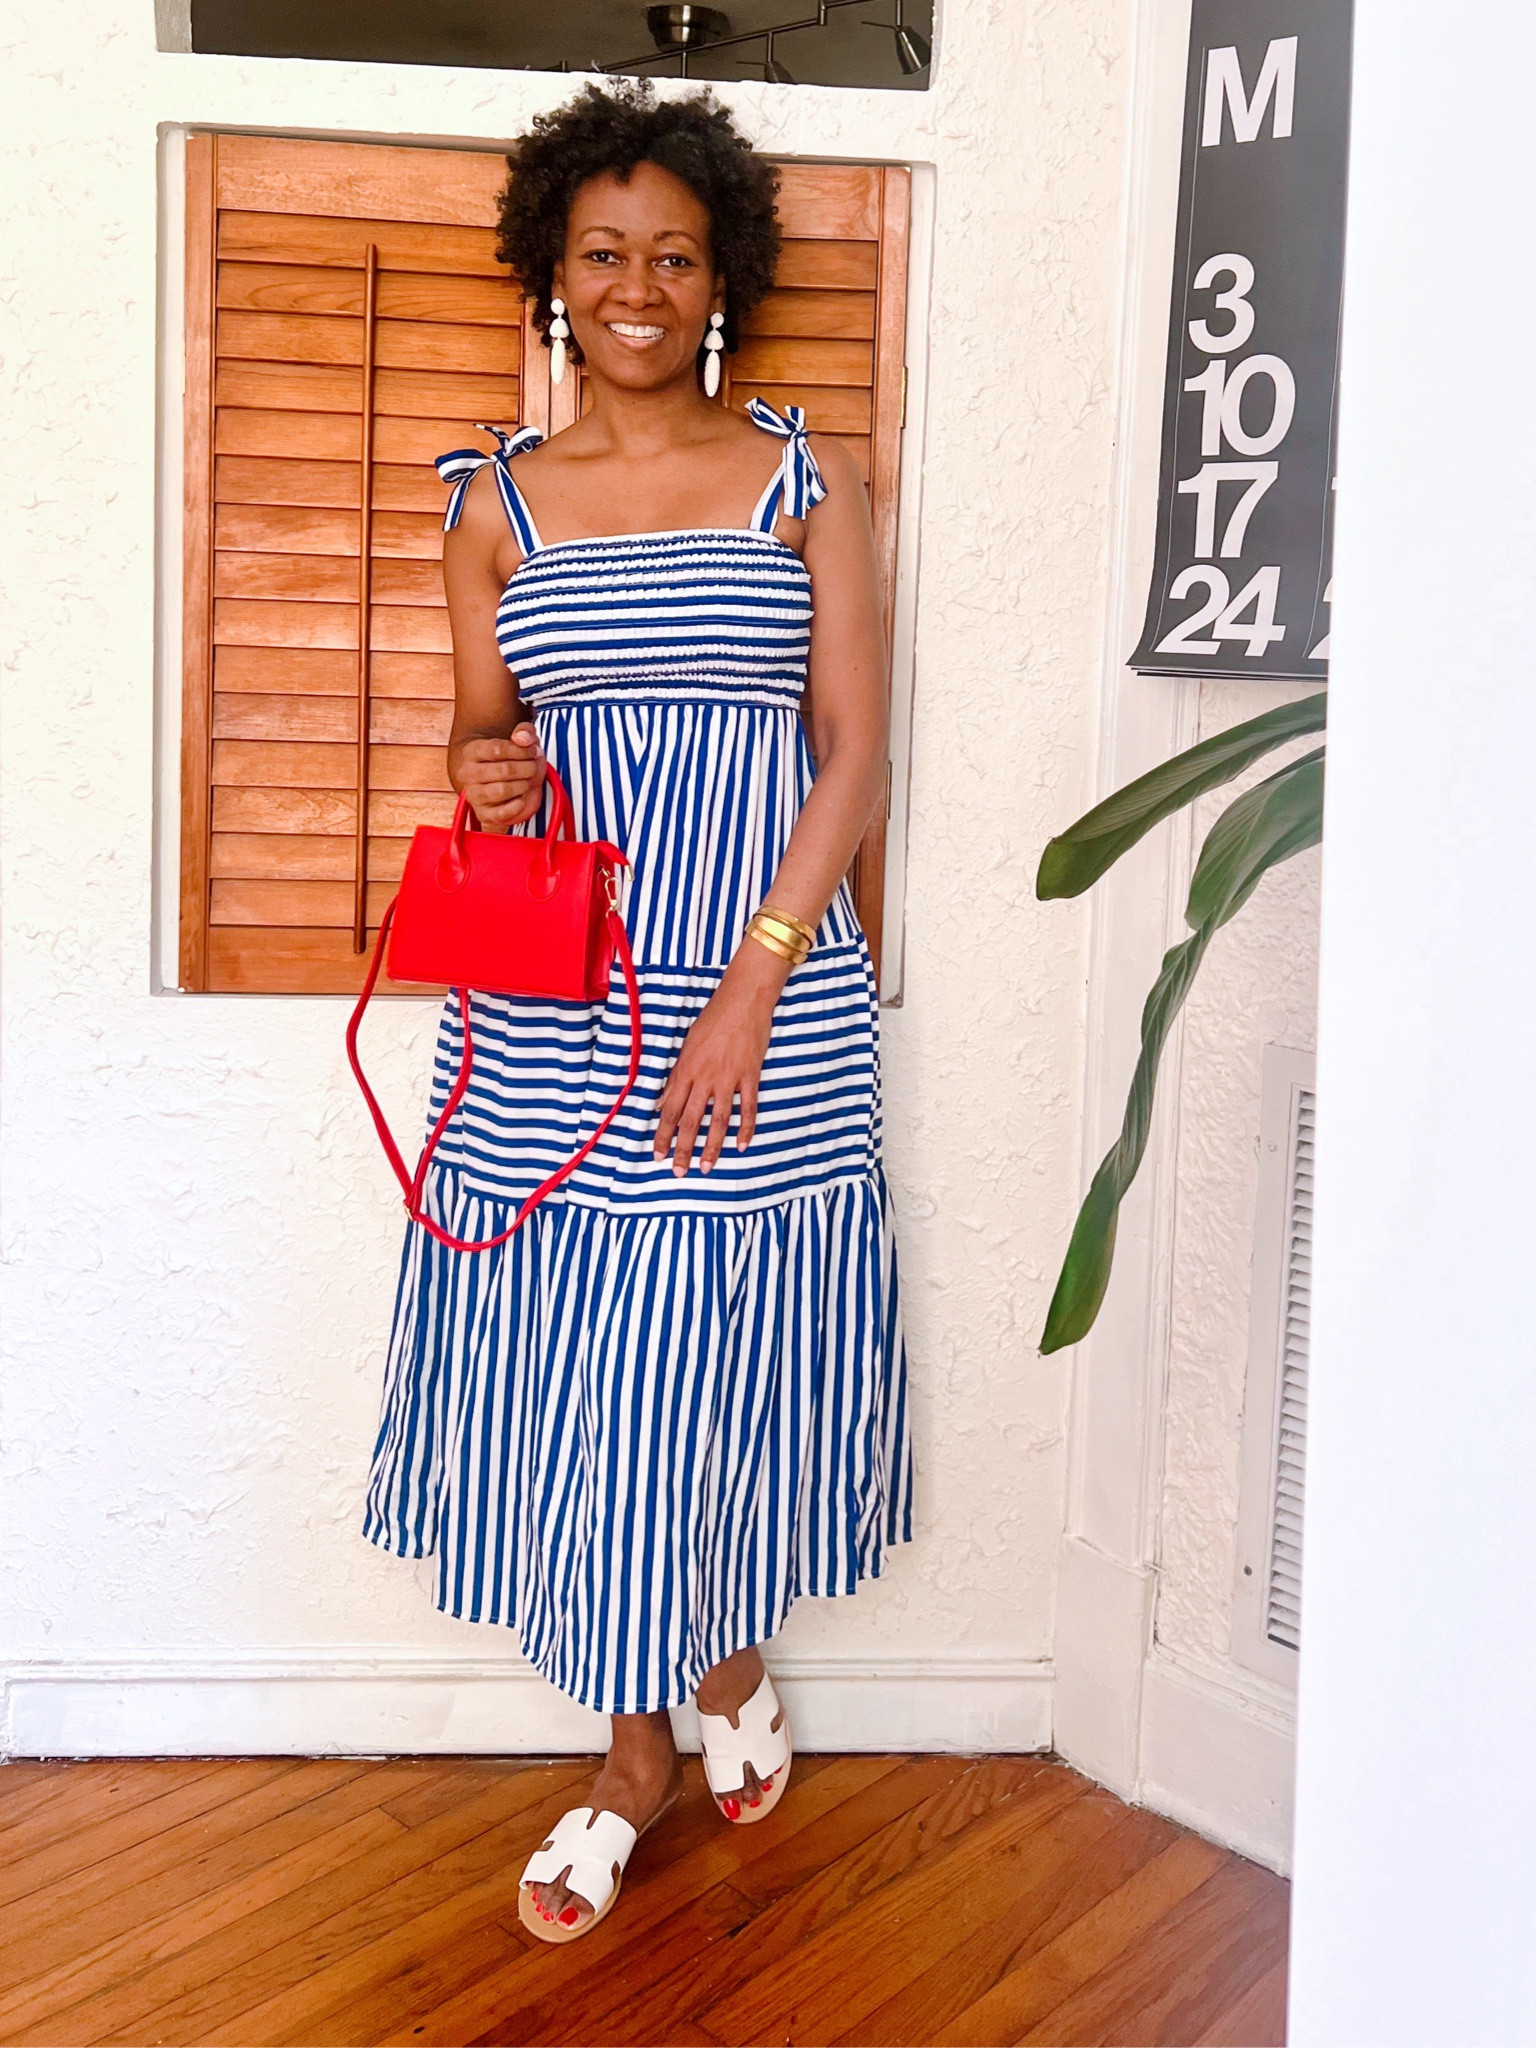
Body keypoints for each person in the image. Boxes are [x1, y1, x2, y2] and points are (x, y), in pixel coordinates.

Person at [363, 79, 911, 1944]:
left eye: (674, 254)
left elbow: (850, 759)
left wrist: (757, 980)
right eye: (602, 252)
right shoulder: (492, 503)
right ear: (553, 276)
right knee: (595, 1371)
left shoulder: (804, 481)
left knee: (717, 1352)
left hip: (757, 976)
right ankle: (658, 1725)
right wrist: (484, 768)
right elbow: (483, 734)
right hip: (556, 1001)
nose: (636, 284)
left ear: (721, 280)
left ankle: (694, 1704)